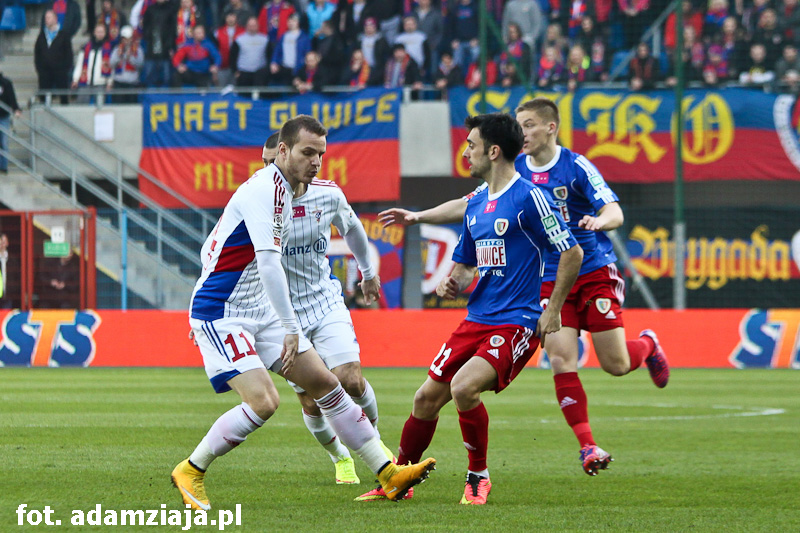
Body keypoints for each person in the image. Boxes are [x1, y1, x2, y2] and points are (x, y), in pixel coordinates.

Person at [377, 97, 670, 477]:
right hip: (547, 278)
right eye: (520, 125)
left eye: (529, 124)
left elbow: (612, 210)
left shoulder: (574, 167)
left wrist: (601, 222)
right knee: (561, 357)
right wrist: (419, 217)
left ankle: (647, 345)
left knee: (615, 364)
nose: (523, 132)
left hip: (592, 268)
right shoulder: (512, 175)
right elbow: (468, 204)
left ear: (551, 127)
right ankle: (587, 445)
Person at [172, 115, 436, 511]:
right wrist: (289, 327)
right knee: (265, 402)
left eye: (321, 154)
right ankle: (191, 469)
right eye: (307, 152)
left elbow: (212, 246)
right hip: (222, 311)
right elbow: (268, 263)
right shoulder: (265, 190)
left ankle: (387, 472)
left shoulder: (290, 190)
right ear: (283, 151)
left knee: (327, 384)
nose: (316, 161)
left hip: (260, 307)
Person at [357, 112, 583, 505]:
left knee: (463, 388)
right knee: (425, 399)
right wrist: (453, 283)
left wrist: (553, 310)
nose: (465, 153)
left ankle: (478, 476)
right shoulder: (477, 204)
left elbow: (572, 252)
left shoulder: (529, 197)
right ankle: (398, 477)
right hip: (476, 319)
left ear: (493, 152)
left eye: (471, 146)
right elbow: (464, 267)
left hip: (516, 321)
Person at [261, 131, 394, 486]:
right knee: (311, 401)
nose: (270, 169)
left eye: (273, 161)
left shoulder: (328, 194)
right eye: (264, 163)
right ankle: (340, 458)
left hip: (324, 302)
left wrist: (368, 273)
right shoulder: (255, 201)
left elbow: (353, 229)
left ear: (285, 155)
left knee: (350, 379)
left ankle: (377, 445)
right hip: (281, 317)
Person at [35, 9, 74, 105]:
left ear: (55, 19)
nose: (46, 20)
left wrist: (65, 69)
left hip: (60, 71)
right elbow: (37, 53)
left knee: (63, 97)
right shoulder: (42, 36)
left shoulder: (64, 35)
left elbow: (69, 54)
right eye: (45, 18)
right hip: (45, 72)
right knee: (43, 97)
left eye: (49, 17)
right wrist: (40, 69)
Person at [108, 26, 144, 102]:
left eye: (129, 39)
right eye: (125, 39)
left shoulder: (138, 49)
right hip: (119, 83)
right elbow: (111, 64)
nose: (127, 41)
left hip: (132, 83)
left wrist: (130, 58)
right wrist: (119, 56)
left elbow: (140, 64)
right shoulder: (117, 49)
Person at [0, 72, 22, 174]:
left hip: (3, 116)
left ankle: (3, 166)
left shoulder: (6, 83)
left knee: (4, 142)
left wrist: (16, 109)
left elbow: (11, 96)